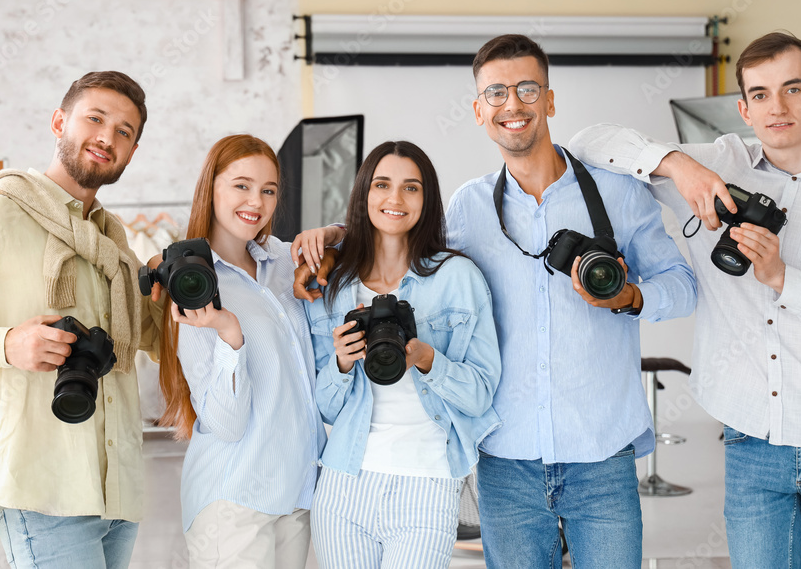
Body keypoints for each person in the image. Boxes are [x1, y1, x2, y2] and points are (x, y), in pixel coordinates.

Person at [294, 36, 697, 569]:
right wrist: (337, 238)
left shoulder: (617, 195)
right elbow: (404, 237)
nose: (514, 104)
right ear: (479, 110)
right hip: (507, 461)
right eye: (497, 92)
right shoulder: (469, 206)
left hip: (601, 451)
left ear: (549, 100)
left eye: (528, 88)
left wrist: (630, 296)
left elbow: (683, 285)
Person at [568, 31, 801, 568]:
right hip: (752, 441)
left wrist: (783, 278)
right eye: (760, 94)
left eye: (792, 89)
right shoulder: (719, 164)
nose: (777, 107)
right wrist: (680, 167)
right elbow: (586, 142)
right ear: (743, 109)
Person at [0, 71, 163, 568]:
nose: (107, 137)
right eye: (95, 119)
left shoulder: (117, 249)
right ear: (60, 122)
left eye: (124, 131)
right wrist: (6, 345)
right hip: (42, 486)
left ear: (132, 151)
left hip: (115, 491)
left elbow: (155, 340)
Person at [302, 141, 501, 569]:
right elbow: (327, 408)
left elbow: (481, 395)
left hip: (427, 482)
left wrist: (430, 361)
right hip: (344, 483)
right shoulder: (332, 285)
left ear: (427, 200)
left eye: (411, 188)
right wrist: (340, 362)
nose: (395, 199)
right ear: (364, 195)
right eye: (382, 185)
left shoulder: (458, 277)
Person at [157, 134, 325, 569]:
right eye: (242, 185)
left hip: (295, 496)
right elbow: (226, 424)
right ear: (210, 187)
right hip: (234, 501)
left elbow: (356, 244)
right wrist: (230, 334)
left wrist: (328, 233)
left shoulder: (283, 260)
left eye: (269, 190)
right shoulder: (193, 284)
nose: (257, 201)